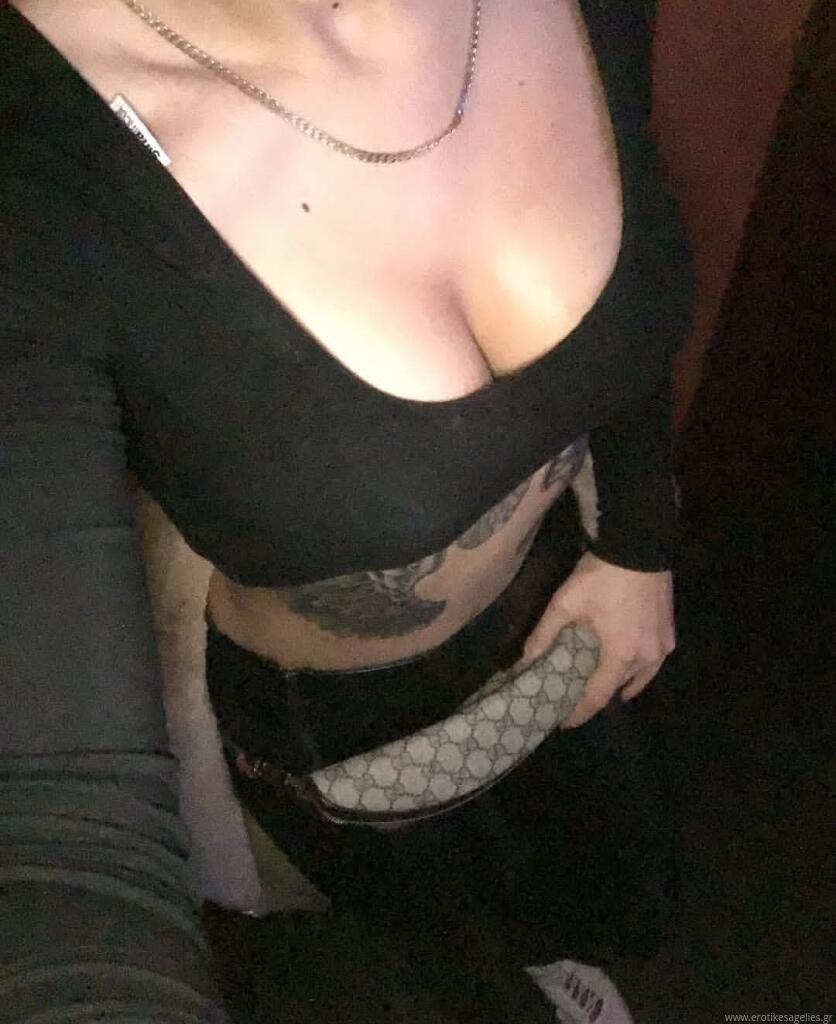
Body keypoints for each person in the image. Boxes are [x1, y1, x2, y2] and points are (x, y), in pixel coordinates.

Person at [1, 0, 694, 1020]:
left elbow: (633, 271)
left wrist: (634, 546)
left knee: (598, 865)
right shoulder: (31, 163)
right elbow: (59, 830)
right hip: (336, 723)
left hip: (560, 590)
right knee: (439, 947)